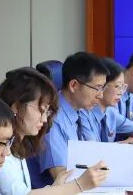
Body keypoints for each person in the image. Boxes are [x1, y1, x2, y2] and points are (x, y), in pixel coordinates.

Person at [0, 67, 110, 195]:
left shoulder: (19, 143)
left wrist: (55, 189)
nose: (44, 119)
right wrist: (79, 184)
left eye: (47, 112)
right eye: (41, 110)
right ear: (16, 106)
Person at [37, 51, 113, 183]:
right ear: (74, 85)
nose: (100, 95)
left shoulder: (83, 110)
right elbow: (61, 178)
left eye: (103, 88)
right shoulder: (52, 120)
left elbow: (94, 150)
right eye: (97, 88)